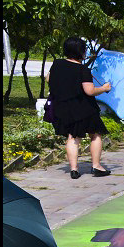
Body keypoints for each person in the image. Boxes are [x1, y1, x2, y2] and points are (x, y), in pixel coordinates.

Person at [46, 36, 112, 179]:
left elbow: (48, 79)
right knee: (95, 134)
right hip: (83, 108)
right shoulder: (83, 69)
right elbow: (89, 91)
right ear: (81, 52)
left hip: (63, 107)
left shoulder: (57, 64)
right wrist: (104, 88)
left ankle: (74, 170)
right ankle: (96, 167)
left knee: (72, 137)